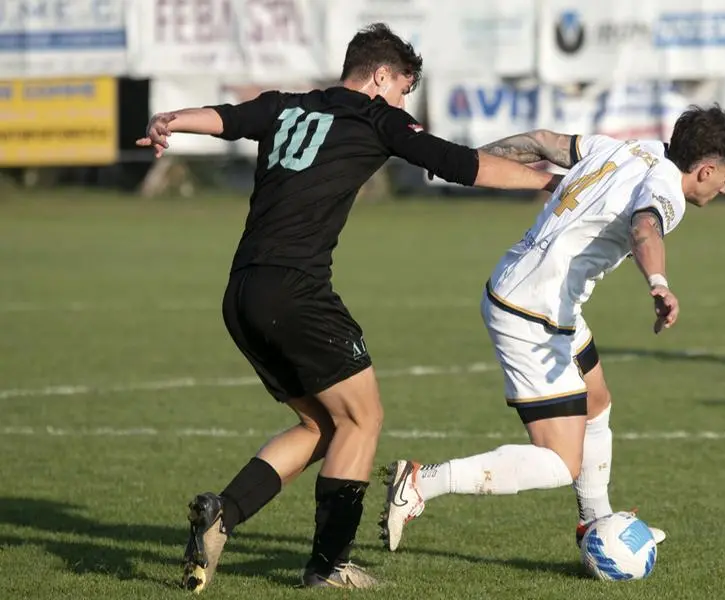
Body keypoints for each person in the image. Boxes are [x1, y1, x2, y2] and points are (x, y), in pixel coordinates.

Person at [136, 23, 559, 592]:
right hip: (297, 291)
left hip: (242, 292)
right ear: (381, 76)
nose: (404, 102)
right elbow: (458, 164)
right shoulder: (375, 116)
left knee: (321, 423)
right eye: (404, 89)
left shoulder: (287, 106)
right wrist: (548, 181)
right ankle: (327, 566)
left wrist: (170, 121)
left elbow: (227, 118)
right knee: (363, 419)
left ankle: (223, 514)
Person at [380, 105, 725, 556]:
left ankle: (596, 523)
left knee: (596, 401)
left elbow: (539, 142)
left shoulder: (623, 149)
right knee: (559, 462)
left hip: (542, 298)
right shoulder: (668, 192)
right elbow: (645, 226)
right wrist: (659, 283)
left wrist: (463, 160)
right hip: (531, 313)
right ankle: (421, 482)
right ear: (706, 168)